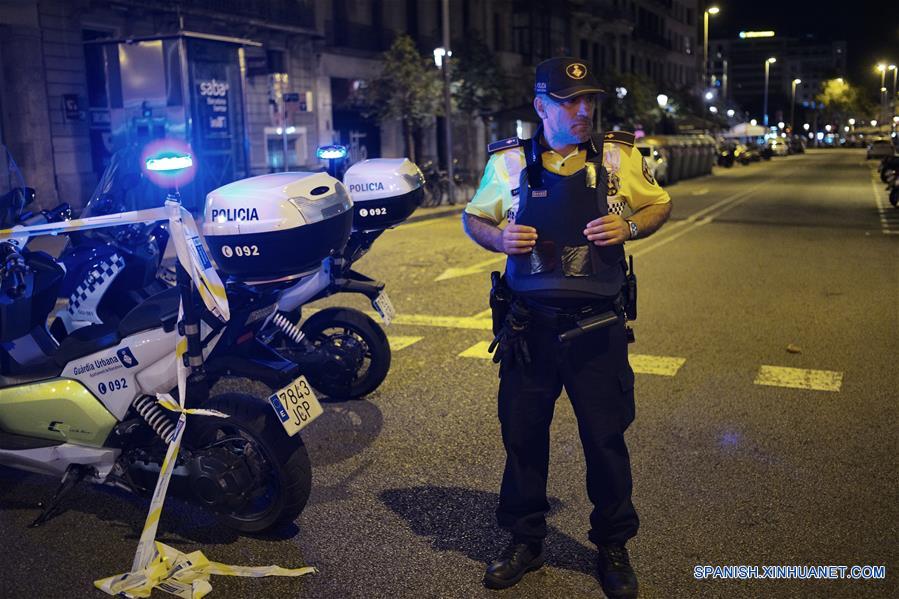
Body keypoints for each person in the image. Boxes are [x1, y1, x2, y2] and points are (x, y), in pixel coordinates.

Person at [461, 57, 671, 598]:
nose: (583, 110)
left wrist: (628, 224)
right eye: (568, 101)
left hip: (597, 328)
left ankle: (613, 546)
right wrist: (498, 240)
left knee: (605, 440)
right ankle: (525, 541)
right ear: (541, 106)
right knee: (523, 439)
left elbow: (659, 206)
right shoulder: (509, 163)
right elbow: (474, 217)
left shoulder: (619, 156)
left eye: (588, 100)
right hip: (529, 329)